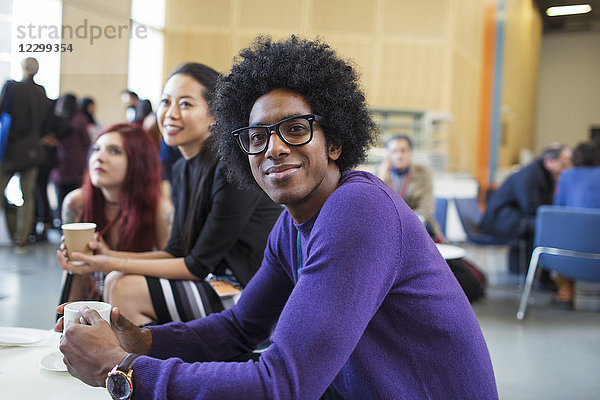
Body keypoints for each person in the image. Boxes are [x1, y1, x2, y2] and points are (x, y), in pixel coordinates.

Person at [57, 36, 498, 400]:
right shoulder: (290, 226)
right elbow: (237, 328)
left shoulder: (360, 208)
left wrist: (120, 369)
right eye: (257, 136)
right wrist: (140, 340)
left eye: (296, 128)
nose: (274, 148)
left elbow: (283, 384)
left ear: (336, 142)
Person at [59, 63, 282, 326]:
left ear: (214, 115)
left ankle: (136, 367)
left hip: (252, 295)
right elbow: (176, 250)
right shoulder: (182, 168)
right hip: (213, 283)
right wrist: (104, 258)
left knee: (125, 287)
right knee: (117, 280)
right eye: (165, 101)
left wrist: (109, 262)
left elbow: (196, 265)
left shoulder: (231, 168)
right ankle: (137, 364)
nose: (170, 113)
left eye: (186, 104)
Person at [58, 123, 173, 303]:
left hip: (139, 306)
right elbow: (74, 274)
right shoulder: (76, 203)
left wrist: (109, 258)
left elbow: (171, 261)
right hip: (93, 306)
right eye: (96, 149)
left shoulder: (160, 208)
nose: (99, 157)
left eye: (115, 151)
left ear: (139, 162)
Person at [480, 144, 572, 276]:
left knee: (542, 225)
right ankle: (538, 275)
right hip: (500, 220)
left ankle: (538, 273)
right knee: (542, 227)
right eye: (563, 165)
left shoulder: (543, 174)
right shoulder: (530, 175)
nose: (565, 170)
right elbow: (530, 207)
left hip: (512, 217)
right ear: (548, 161)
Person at [0, 57, 51, 252]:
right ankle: (21, 238)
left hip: (11, 149)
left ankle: (10, 231)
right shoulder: (41, 92)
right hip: (33, 150)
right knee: (27, 195)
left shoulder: (12, 87)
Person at [551, 141, 600, 308]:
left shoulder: (566, 176)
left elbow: (558, 210)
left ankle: (565, 291)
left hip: (570, 251)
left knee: (560, 236)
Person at [378, 134, 443, 240]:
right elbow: (378, 207)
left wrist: (400, 220)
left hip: (419, 228)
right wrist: (382, 178)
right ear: (389, 155)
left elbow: (426, 209)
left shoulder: (423, 173)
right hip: (388, 230)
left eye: (403, 150)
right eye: (394, 151)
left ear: (410, 152)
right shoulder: (380, 174)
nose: (399, 155)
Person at [50, 93, 92, 222]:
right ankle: (76, 223)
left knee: (60, 195)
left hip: (60, 160)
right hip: (76, 161)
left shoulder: (57, 118)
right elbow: (87, 140)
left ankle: (60, 222)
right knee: (76, 194)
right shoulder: (80, 119)